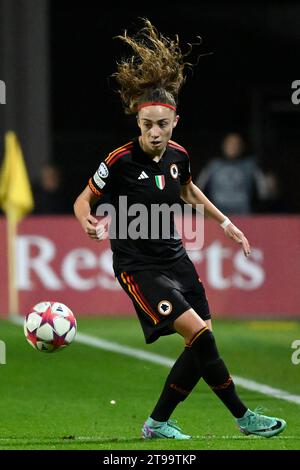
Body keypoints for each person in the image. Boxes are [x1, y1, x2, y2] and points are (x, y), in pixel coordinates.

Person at [74, 19, 286, 440]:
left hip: (176, 258)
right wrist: (88, 222)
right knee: (201, 335)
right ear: (138, 122)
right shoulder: (118, 161)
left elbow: (189, 192)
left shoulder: (179, 156)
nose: (155, 132)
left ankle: (156, 423)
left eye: (162, 125)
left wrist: (226, 224)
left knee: (202, 341)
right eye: (148, 124)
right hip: (139, 267)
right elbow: (83, 200)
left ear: (175, 123)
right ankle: (244, 418)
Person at [195, 133, 269, 214]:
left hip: (243, 215)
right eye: (230, 144)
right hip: (218, 214)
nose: (233, 147)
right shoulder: (213, 166)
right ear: (223, 146)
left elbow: (265, 192)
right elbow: (197, 189)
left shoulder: (250, 166)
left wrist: (270, 186)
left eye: (236, 144)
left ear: (242, 147)